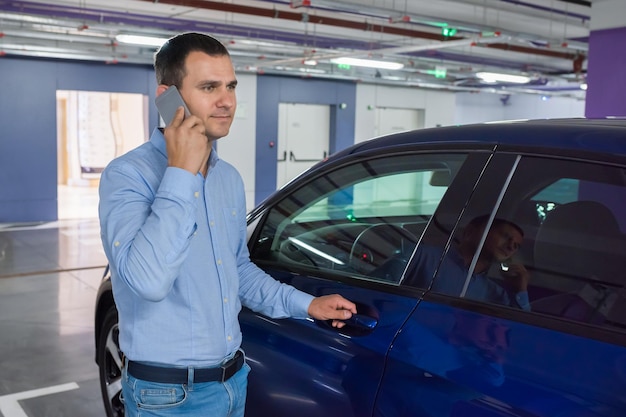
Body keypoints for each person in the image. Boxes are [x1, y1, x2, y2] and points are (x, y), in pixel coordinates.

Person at [98, 32, 357, 417]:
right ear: (168, 97)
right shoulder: (126, 176)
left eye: (231, 86)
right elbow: (148, 282)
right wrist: (181, 172)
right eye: (209, 87)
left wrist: (307, 305)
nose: (227, 101)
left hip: (234, 381)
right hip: (168, 397)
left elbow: (236, 269)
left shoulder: (228, 179)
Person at [411, 214, 530, 310]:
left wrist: (521, 289)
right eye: (505, 236)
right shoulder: (421, 255)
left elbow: (519, 331)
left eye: (516, 246)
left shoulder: (495, 293)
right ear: (470, 231)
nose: (510, 247)